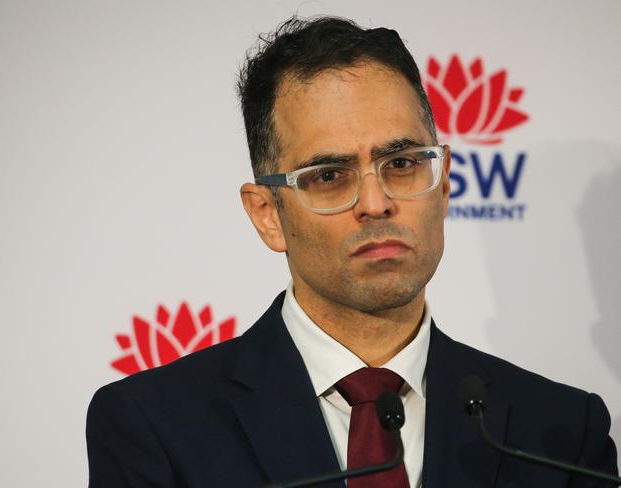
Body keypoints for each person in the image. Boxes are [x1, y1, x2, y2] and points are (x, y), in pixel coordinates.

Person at [86, 16, 618, 487]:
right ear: (268, 214)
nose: (376, 202)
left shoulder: (561, 430)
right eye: (330, 176)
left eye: (403, 163)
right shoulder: (154, 425)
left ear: (446, 183)